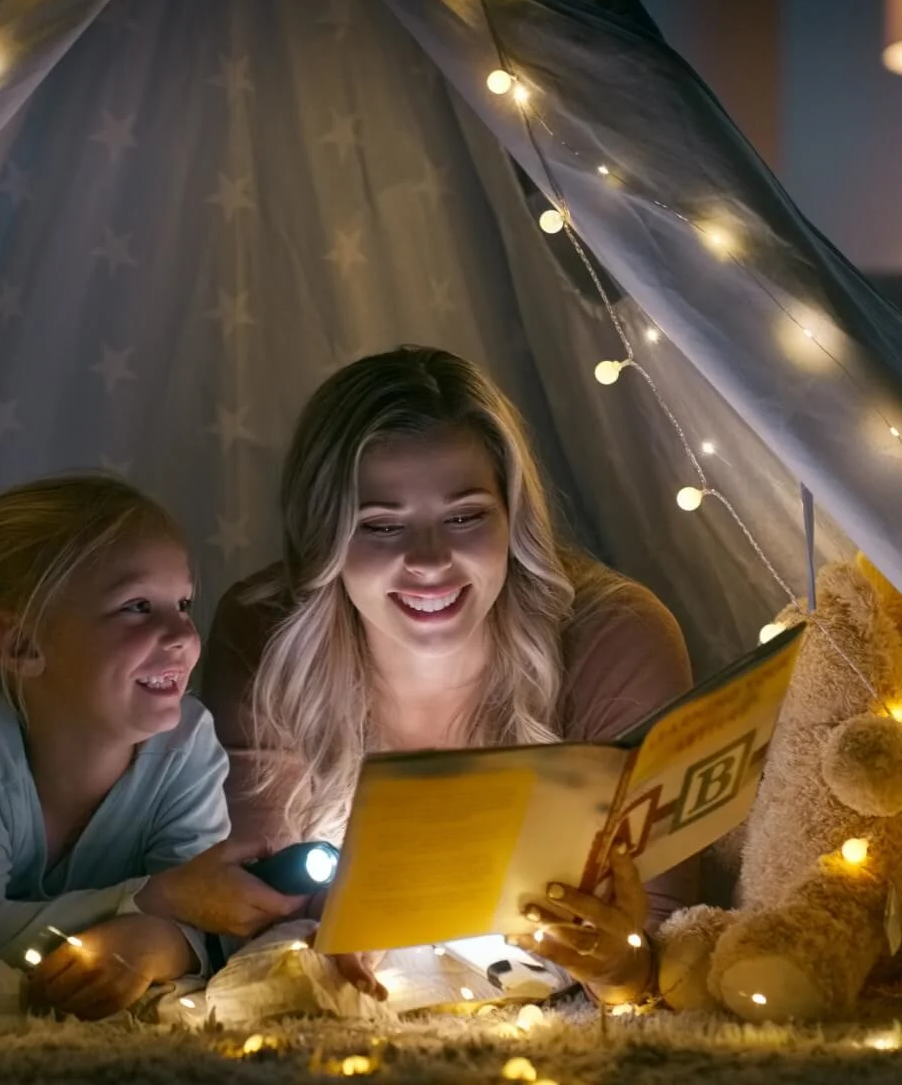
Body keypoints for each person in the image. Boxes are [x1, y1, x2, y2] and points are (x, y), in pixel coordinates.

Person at [201, 347, 697, 1007]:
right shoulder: (266, 633)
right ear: (326, 537)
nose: (429, 561)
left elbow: (663, 935)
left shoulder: (615, 636)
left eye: (465, 516)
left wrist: (624, 972)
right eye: (381, 525)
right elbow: (252, 904)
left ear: (512, 517)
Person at [0, 474, 304, 1020]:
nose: (182, 636)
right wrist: (152, 902)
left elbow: (200, 906)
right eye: (137, 606)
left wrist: (153, 940)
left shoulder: (188, 743)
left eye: (184, 603)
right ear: (22, 644)